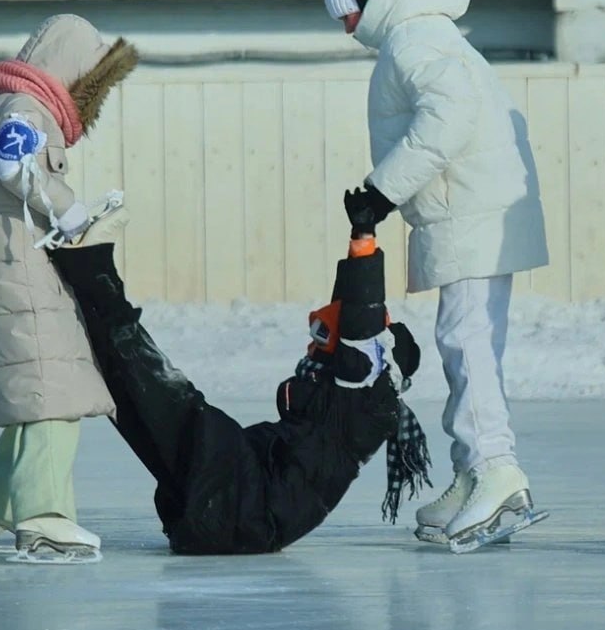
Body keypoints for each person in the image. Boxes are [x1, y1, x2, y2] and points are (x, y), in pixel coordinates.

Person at [325, 0, 550, 553]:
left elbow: (450, 116)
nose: (342, 21)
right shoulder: (421, 32)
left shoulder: (415, 36)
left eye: (342, 3)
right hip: (469, 206)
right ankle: (474, 469)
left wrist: (381, 192)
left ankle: (496, 469)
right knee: (468, 341)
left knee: (466, 340)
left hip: (470, 208)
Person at [46, 209, 429, 555]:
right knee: (133, 407)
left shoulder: (370, 390)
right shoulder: (355, 394)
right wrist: (356, 244)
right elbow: (349, 311)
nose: (315, 343)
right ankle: (82, 281)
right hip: (243, 505)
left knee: (169, 397)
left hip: (249, 508)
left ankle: (92, 270)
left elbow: (362, 316)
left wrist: (365, 239)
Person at [0, 14, 138, 562]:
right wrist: (66, 213)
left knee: (34, 389)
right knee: (55, 393)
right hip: (17, 269)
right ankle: (45, 518)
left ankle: (0, 502)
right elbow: (11, 160)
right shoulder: (25, 110)